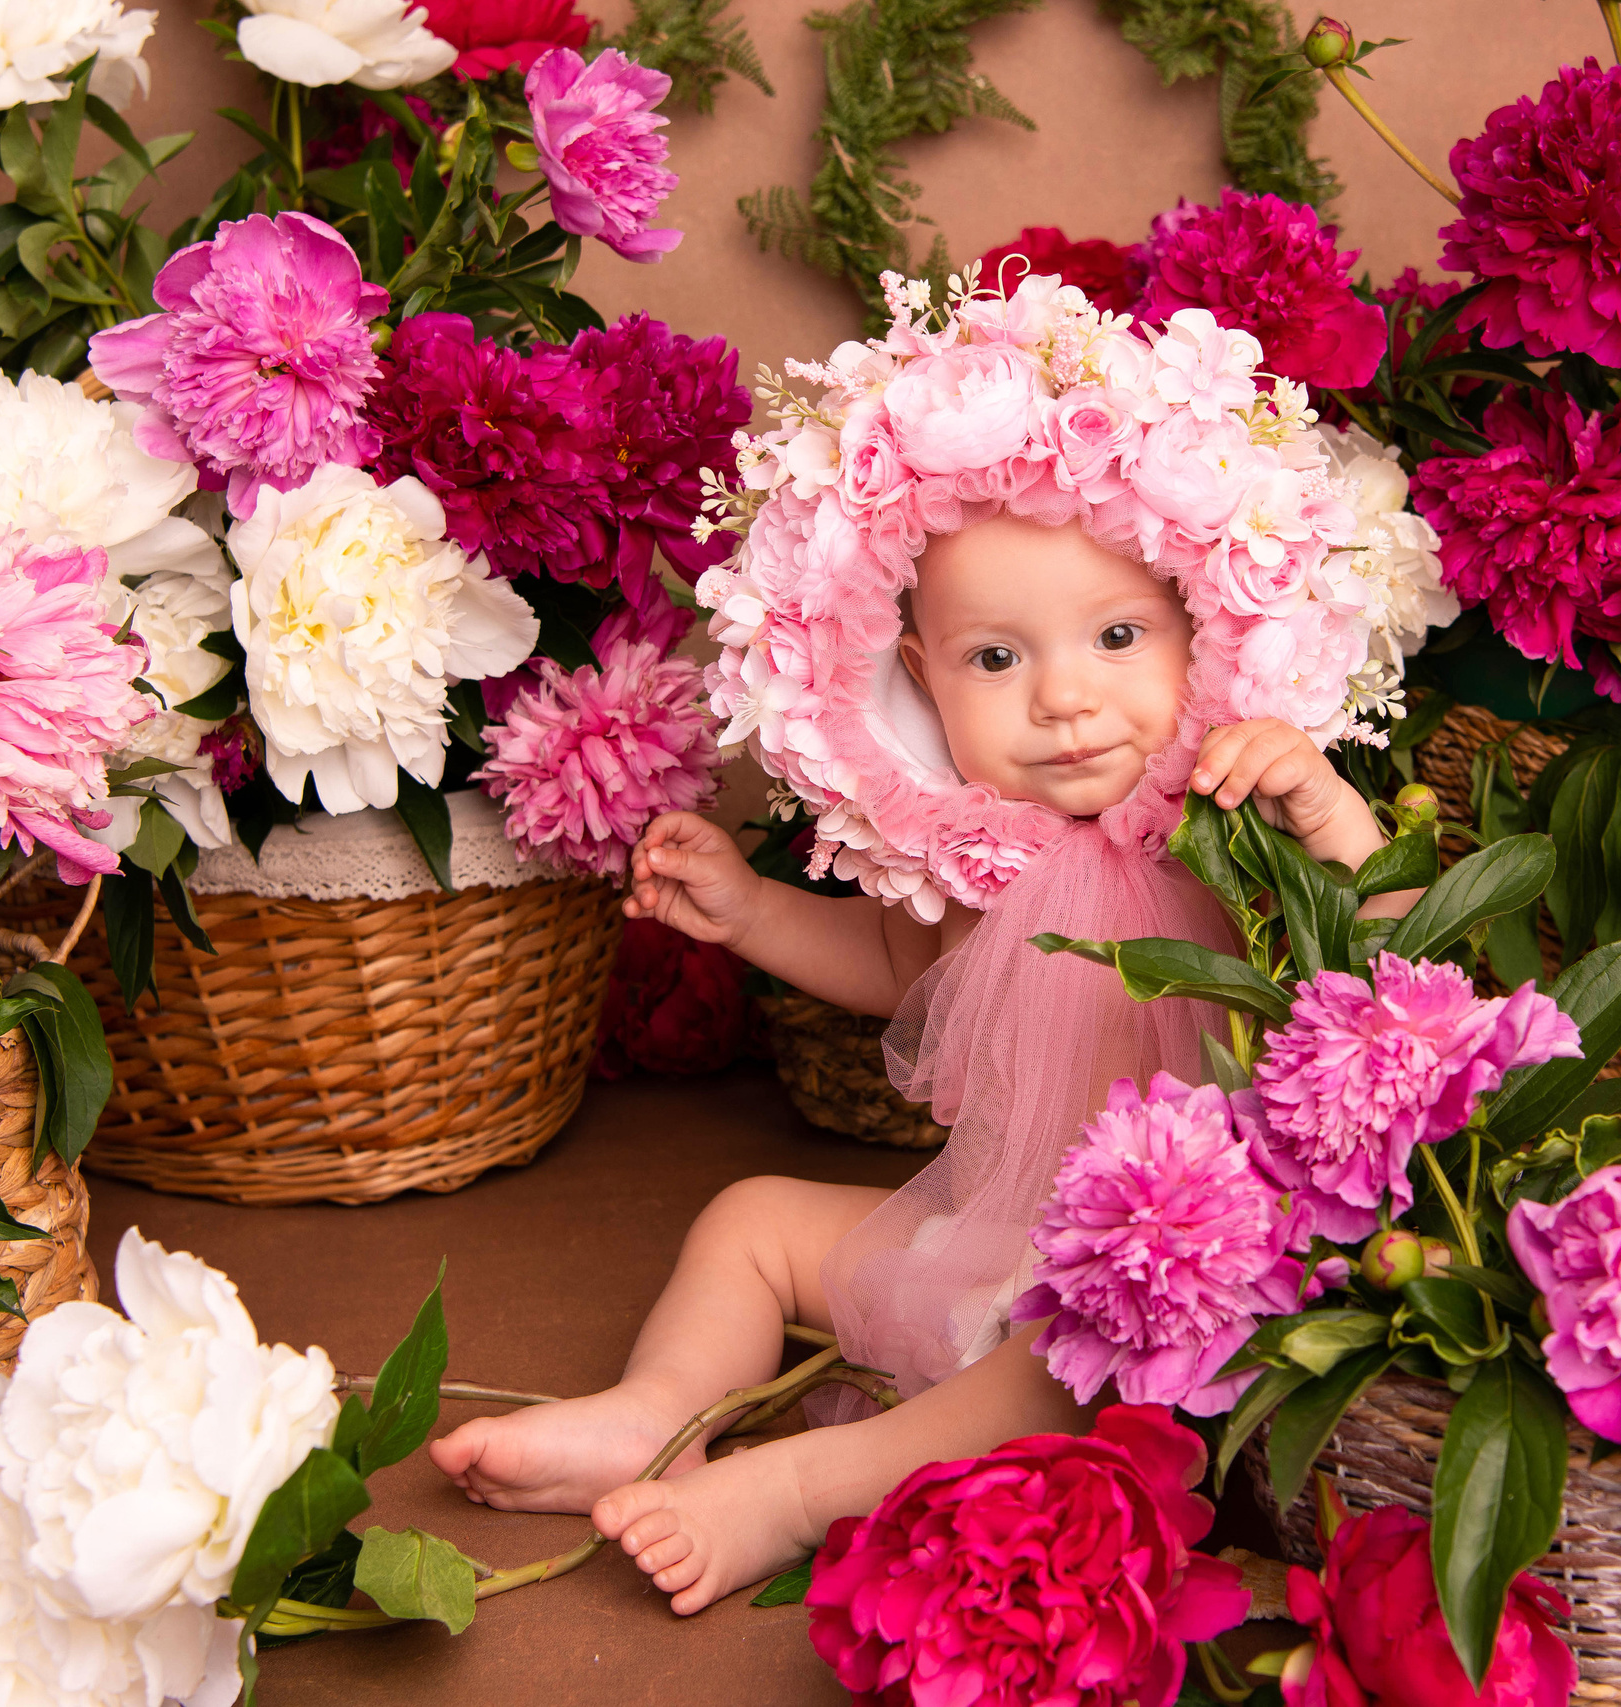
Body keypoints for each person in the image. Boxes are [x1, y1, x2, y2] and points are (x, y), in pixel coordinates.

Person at [430, 276, 1417, 1613]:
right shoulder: (972, 848)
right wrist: (752, 917)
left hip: (1176, 1288)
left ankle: (792, 1494)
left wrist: (1336, 823)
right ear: (916, 671)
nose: (1064, 699)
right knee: (750, 1222)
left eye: (1119, 638)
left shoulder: (1237, 814)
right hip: (995, 1235)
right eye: (995, 660)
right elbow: (905, 981)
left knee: (1047, 1368)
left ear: (1201, 631)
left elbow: (1405, 974)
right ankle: (653, 1407)